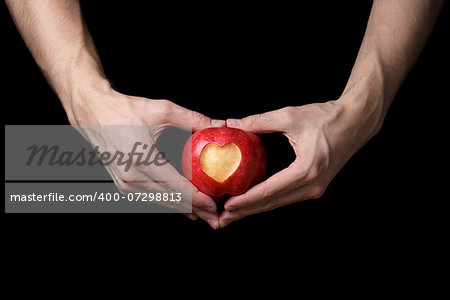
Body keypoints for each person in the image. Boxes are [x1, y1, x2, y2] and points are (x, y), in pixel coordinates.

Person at [5, 0, 445, 229]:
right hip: (100, 133)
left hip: (343, 142)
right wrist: (83, 97)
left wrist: (365, 105)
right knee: (40, 179)